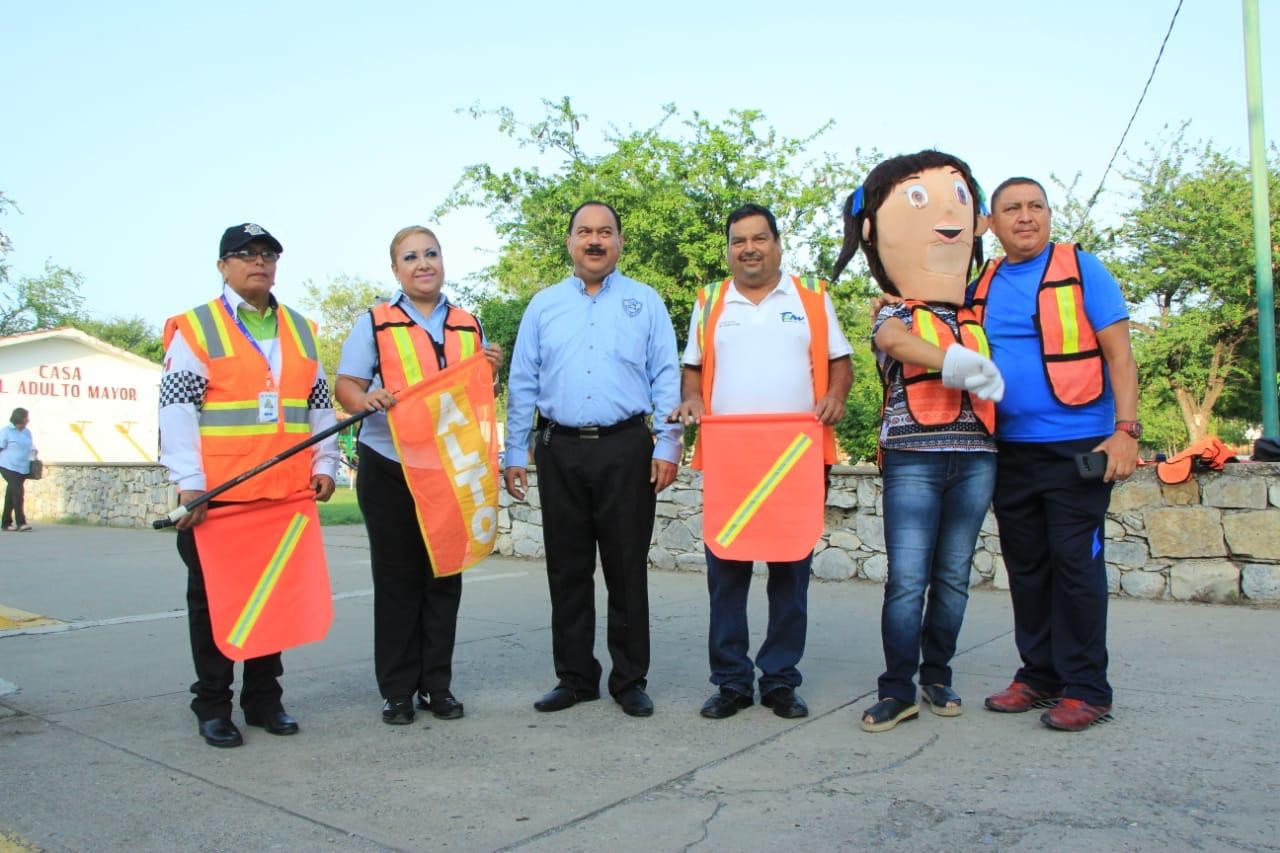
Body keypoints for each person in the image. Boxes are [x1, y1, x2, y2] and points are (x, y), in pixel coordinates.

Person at [830, 151, 1003, 733]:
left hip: (976, 458)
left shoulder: (976, 310)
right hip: (912, 459)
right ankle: (896, 687)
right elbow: (898, 345)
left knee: (953, 574)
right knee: (907, 579)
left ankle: (938, 674)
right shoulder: (891, 313)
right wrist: (958, 362)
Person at [159, 223, 339, 748]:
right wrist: (190, 483)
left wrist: (325, 462)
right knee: (214, 604)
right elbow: (176, 409)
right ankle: (213, 705)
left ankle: (264, 701)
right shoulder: (196, 328)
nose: (257, 262)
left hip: (284, 494)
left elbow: (318, 404)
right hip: (221, 498)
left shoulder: (301, 329)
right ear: (223, 266)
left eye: (267, 254)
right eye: (244, 254)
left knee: (273, 602)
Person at [672, 203, 854, 720]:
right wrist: (692, 401)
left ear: (777, 243)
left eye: (759, 238)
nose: (748, 248)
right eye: (738, 241)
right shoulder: (709, 301)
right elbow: (693, 369)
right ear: (728, 249)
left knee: (790, 570)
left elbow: (841, 364)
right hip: (731, 458)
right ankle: (730, 681)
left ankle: (779, 680)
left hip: (796, 457)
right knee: (725, 570)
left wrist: (837, 397)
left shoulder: (812, 297)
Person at [504, 201, 681, 718]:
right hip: (558, 450)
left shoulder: (645, 303)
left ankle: (630, 680)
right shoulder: (542, 306)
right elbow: (522, 383)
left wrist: (668, 443)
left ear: (620, 243)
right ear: (570, 242)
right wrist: (517, 451)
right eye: (585, 232)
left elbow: (665, 376)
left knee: (627, 570)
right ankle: (576, 678)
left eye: (606, 232)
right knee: (568, 569)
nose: (595, 240)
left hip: (626, 448)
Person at [975, 178, 1139, 732]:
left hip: (1079, 448)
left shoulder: (1083, 269)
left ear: (1048, 215)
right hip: (1010, 450)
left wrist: (1126, 431)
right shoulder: (983, 283)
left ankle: (1089, 688)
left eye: (1035, 206)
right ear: (990, 224)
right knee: (1027, 568)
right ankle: (1040, 676)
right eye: (1011, 209)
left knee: (1075, 565)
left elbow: (1120, 355)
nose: (1025, 216)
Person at [334, 225, 503, 726]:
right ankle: (398, 690)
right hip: (391, 466)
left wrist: (489, 365)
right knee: (396, 580)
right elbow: (347, 385)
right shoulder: (375, 322)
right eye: (410, 257)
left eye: (431, 253)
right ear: (396, 270)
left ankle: (437, 686)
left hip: (450, 466)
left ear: (443, 260)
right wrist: (365, 401)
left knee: (444, 577)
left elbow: (472, 390)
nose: (422, 263)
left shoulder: (469, 323)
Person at [0, 407, 36, 532]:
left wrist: (34, 457)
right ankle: (21, 523)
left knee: (11, 494)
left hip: (23, 468)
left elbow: (31, 447)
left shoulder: (27, 432)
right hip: (8, 466)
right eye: (26, 417)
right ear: (19, 418)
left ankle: (6, 523)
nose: (28, 420)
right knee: (18, 493)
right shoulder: (6, 431)